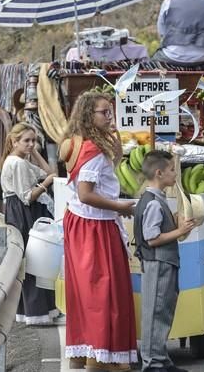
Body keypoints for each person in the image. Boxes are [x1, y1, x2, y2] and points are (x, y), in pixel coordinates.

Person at [59, 92, 137, 370]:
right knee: (105, 291)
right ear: (88, 116)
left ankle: (83, 354)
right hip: (94, 224)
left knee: (85, 290)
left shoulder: (81, 143)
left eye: (110, 112)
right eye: (104, 113)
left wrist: (114, 142)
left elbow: (106, 168)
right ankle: (102, 358)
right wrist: (120, 207)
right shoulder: (91, 149)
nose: (110, 117)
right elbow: (86, 194)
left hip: (81, 223)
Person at [134, 150, 195, 372]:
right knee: (156, 311)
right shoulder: (152, 203)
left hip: (162, 262)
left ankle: (159, 357)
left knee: (163, 309)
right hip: (158, 262)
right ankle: (153, 362)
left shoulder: (154, 199)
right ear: (159, 173)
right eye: (171, 170)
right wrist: (180, 231)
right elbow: (152, 238)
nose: (175, 174)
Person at [0, 122, 60, 325]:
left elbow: (48, 171)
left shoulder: (20, 160)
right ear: (14, 141)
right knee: (34, 261)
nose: (31, 144)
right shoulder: (17, 163)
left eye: (33, 140)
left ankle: (41, 310)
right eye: (26, 141)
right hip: (22, 213)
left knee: (35, 260)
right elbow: (28, 197)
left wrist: (34, 152)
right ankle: (36, 312)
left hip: (21, 212)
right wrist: (45, 185)